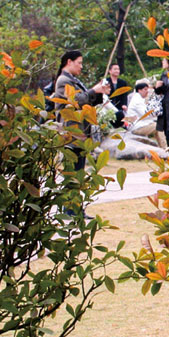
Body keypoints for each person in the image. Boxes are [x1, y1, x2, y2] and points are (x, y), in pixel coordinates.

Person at [53, 50, 109, 215]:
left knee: (78, 173)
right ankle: (69, 210)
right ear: (69, 62)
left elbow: (87, 101)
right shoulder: (63, 80)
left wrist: (99, 93)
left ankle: (76, 209)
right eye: (79, 63)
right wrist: (93, 90)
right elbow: (76, 101)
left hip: (80, 133)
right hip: (70, 134)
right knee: (72, 173)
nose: (81, 66)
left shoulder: (73, 80)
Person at [105, 63, 132, 127]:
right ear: (110, 71)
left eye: (118, 69)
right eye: (115, 69)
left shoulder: (122, 82)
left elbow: (124, 95)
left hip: (119, 106)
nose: (117, 71)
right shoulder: (106, 81)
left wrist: (124, 104)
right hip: (108, 105)